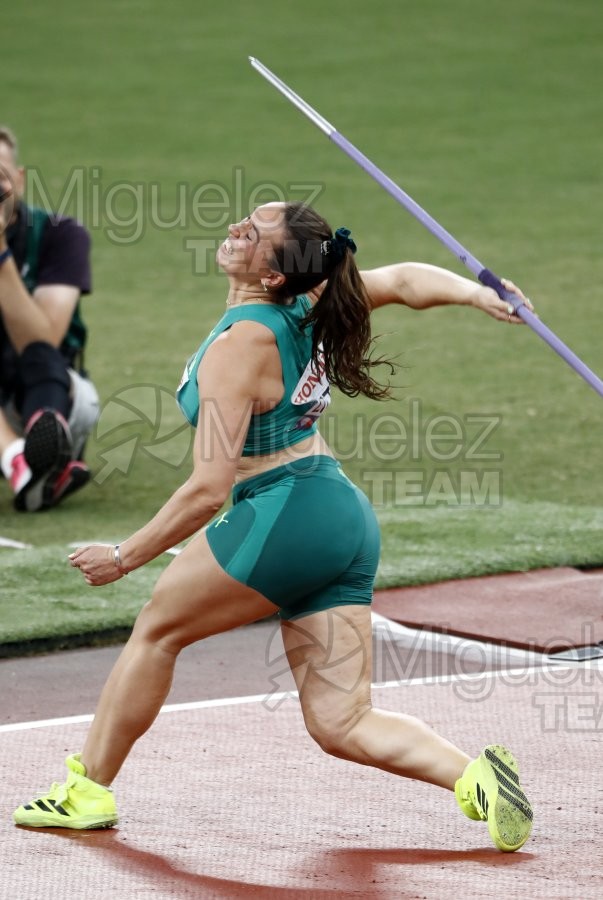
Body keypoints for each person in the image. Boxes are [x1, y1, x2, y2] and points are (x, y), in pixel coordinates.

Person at [13, 201, 534, 852]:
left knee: (158, 629)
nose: (236, 229)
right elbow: (402, 280)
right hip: (339, 517)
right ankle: (477, 777)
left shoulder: (239, 347)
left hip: (283, 512)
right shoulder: (310, 305)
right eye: (245, 220)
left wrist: (124, 557)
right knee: (342, 721)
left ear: (273, 275)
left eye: (254, 233)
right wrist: (480, 293)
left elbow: (207, 491)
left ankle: (86, 791)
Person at [0, 126, 99, 511]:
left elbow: (43, 340)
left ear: (19, 178)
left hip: (49, 397)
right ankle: (26, 465)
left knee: (40, 354)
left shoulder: (60, 235)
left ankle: (38, 453)